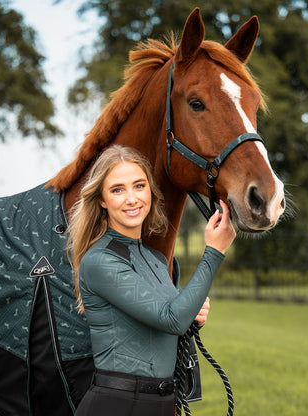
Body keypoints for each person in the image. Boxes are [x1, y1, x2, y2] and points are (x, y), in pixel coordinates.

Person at [69, 144, 236, 416]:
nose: (132, 198)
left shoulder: (157, 259)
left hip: (162, 403)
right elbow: (172, 319)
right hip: (117, 405)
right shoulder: (100, 261)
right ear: (101, 200)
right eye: (117, 189)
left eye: (139, 186)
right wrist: (215, 252)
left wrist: (194, 311)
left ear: (150, 191)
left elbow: (176, 317)